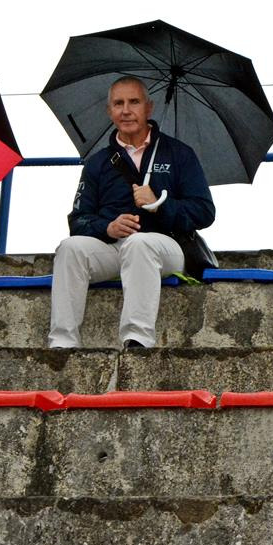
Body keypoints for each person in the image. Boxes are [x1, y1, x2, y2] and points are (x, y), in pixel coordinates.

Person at [49, 76, 215, 349]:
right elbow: (78, 221)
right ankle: (62, 344)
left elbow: (204, 212)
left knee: (139, 244)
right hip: (114, 248)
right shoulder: (98, 162)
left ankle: (137, 340)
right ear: (109, 111)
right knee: (70, 248)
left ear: (149, 108)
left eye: (134, 102)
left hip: (166, 247)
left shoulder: (179, 154)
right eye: (118, 103)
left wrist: (160, 204)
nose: (126, 110)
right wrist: (107, 227)